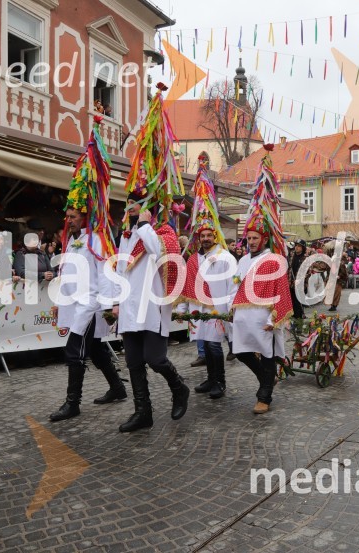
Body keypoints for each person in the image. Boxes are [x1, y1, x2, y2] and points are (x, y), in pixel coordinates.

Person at [114, 83, 188, 433]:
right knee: (132, 362)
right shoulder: (127, 237)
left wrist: (145, 224)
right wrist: (114, 302)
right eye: (129, 204)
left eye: (137, 204)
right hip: (130, 308)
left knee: (155, 359)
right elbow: (120, 270)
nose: (129, 209)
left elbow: (163, 255)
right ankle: (143, 412)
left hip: (154, 308)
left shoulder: (162, 233)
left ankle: (179, 387)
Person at [49, 118, 126, 421]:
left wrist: (108, 306)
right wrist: (58, 302)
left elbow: (105, 274)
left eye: (74, 216)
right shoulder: (74, 240)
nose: (69, 220)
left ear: (86, 214)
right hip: (75, 304)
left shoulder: (96, 240)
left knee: (75, 352)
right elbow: (66, 275)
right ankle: (118, 388)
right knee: (94, 350)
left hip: (90, 307)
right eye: (67, 216)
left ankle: (73, 403)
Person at [229, 144, 293, 415]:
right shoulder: (243, 260)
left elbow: (280, 291)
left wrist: (272, 319)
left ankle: (264, 394)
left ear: (264, 239)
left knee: (267, 356)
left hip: (265, 318)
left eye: (256, 238)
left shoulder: (274, 260)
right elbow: (237, 286)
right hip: (244, 318)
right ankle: (266, 380)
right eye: (249, 238)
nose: (252, 241)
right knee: (241, 351)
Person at [176, 155, 235, 400]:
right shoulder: (193, 258)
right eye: (202, 236)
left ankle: (219, 382)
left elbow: (231, 283)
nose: (205, 239)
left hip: (216, 308)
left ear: (215, 236)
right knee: (204, 344)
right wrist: (183, 307)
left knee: (213, 345)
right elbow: (187, 284)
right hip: (199, 308)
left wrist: (227, 308)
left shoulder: (224, 256)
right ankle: (210, 378)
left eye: (210, 236)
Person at [288, 239, 306, 319]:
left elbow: (307, 271)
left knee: (298, 302)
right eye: (296, 245)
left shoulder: (305, 258)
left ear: (303, 248)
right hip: (290, 282)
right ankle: (292, 318)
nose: (297, 247)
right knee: (291, 302)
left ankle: (299, 319)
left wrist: (300, 279)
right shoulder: (291, 255)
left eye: (299, 246)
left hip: (299, 284)